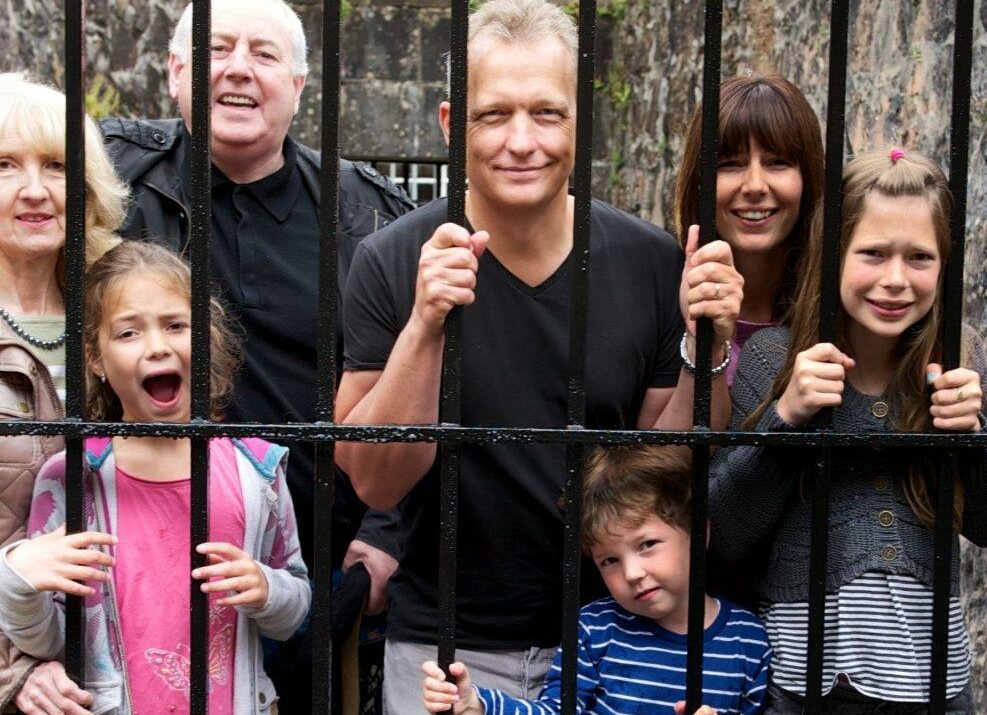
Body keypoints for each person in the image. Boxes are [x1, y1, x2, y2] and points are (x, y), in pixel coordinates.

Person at [335, 0, 743, 709]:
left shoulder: (646, 259)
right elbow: (373, 481)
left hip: (617, 638)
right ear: (448, 125)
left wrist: (703, 343)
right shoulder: (393, 259)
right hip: (443, 646)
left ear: (579, 122)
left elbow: (671, 466)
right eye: (493, 115)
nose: (520, 140)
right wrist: (425, 324)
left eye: (546, 114)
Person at [98, 0, 415, 707]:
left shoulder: (369, 216)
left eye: (264, 54)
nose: (239, 68)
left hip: (314, 574)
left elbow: (421, 379)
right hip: (132, 562)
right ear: (176, 72)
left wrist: (386, 533)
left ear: (299, 86)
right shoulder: (106, 184)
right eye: (217, 49)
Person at [709, 148, 985, 712]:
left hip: (936, 683)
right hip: (802, 684)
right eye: (874, 254)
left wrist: (972, 440)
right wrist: (786, 419)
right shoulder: (773, 359)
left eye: (919, 258)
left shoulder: (966, 362)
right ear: (831, 255)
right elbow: (725, 535)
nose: (895, 280)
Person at [0, 241, 310, 714]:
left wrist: (267, 590)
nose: (158, 346)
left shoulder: (258, 468)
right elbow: (51, 639)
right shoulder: (70, 477)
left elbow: (293, 612)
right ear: (96, 358)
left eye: (176, 326)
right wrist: (18, 583)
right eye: (128, 333)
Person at [421, 445, 771, 715]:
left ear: (699, 534)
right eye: (610, 560)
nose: (632, 573)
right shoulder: (593, 629)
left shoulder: (748, 639)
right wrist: (477, 704)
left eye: (647, 545)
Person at [0, 72, 129, 714]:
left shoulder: (126, 308)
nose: (33, 190)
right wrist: (19, 669)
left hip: (123, 657)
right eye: (4, 165)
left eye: (55, 165)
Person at [674, 74, 824, 383]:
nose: (755, 185)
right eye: (730, 164)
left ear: (808, 177)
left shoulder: (838, 300)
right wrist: (702, 341)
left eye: (777, 163)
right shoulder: (663, 294)